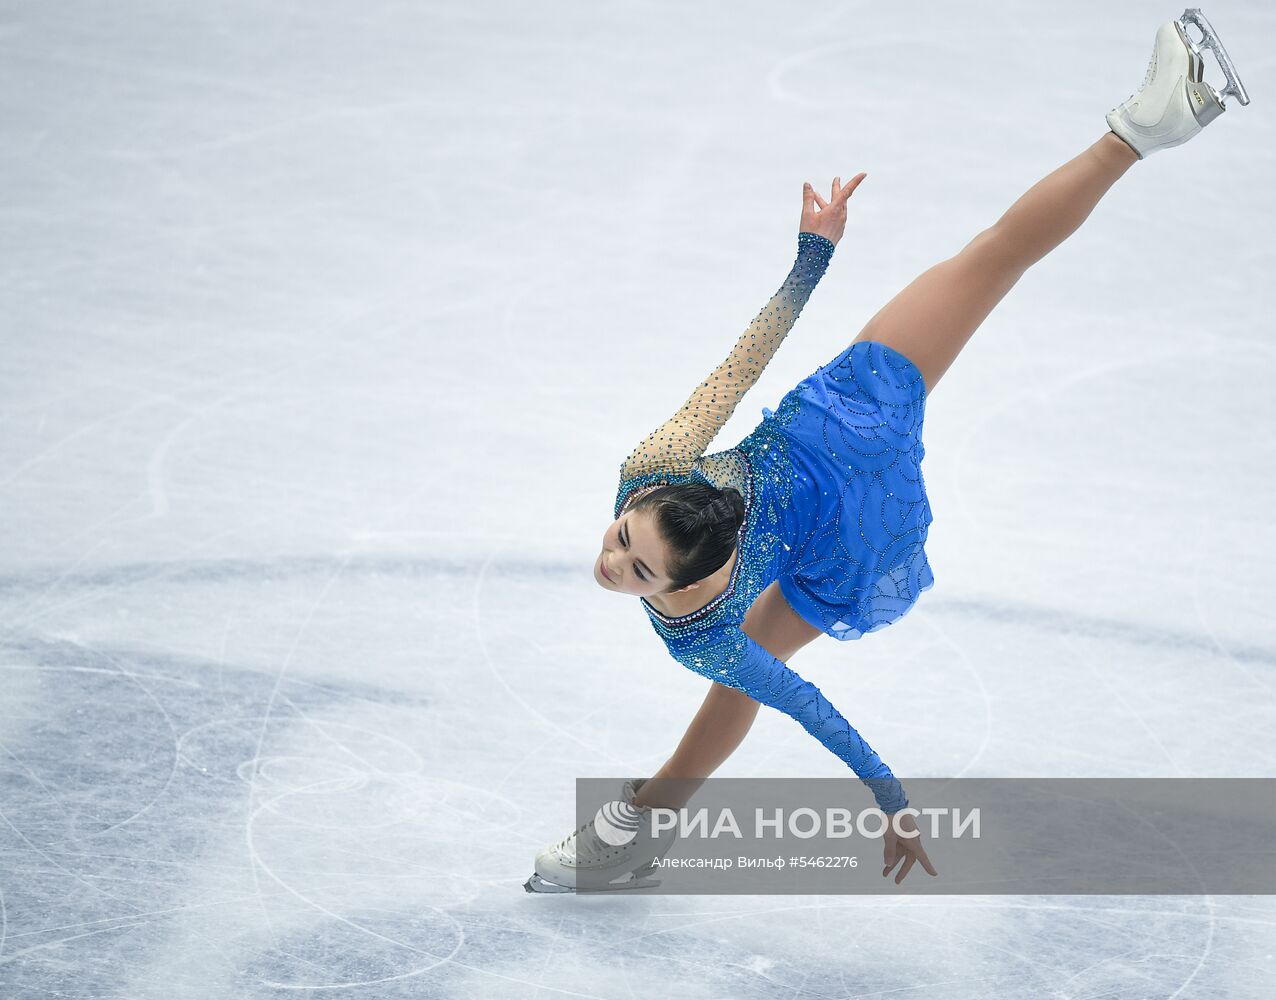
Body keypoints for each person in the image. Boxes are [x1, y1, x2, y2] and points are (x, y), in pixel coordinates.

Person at [529, 9, 1249, 893]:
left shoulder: (702, 626)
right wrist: (811, 260)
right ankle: (1144, 128)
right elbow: (745, 363)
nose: (612, 560)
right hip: (843, 417)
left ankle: (645, 827)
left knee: (742, 676)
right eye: (627, 557)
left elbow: (815, 713)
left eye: (630, 555)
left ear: (677, 570)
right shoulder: (657, 476)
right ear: (658, 543)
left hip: (850, 486)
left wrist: (893, 802)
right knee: (990, 259)